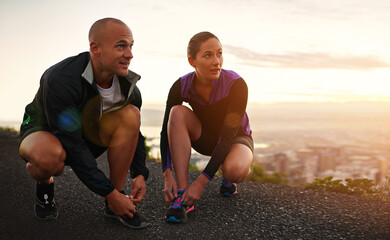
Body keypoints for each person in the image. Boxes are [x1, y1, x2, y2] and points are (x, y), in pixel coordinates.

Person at [18, 18, 149, 229]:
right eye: (121, 46)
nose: (130, 54)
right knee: (49, 158)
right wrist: (107, 191)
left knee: (131, 114)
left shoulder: (129, 88)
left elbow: (135, 133)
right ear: (95, 48)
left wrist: (140, 173)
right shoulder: (60, 78)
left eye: (131, 46)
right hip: (45, 130)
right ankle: (45, 185)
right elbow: (72, 144)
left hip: (87, 132)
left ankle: (113, 203)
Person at [160, 31, 254, 223]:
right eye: (208, 55)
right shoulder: (181, 86)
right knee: (176, 112)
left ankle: (229, 174)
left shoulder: (236, 84)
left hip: (235, 139)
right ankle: (183, 195)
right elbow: (165, 129)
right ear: (192, 61)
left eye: (219, 53)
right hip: (205, 137)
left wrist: (201, 183)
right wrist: (166, 173)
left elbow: (228, 136)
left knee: (234, 171)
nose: (216, 61)